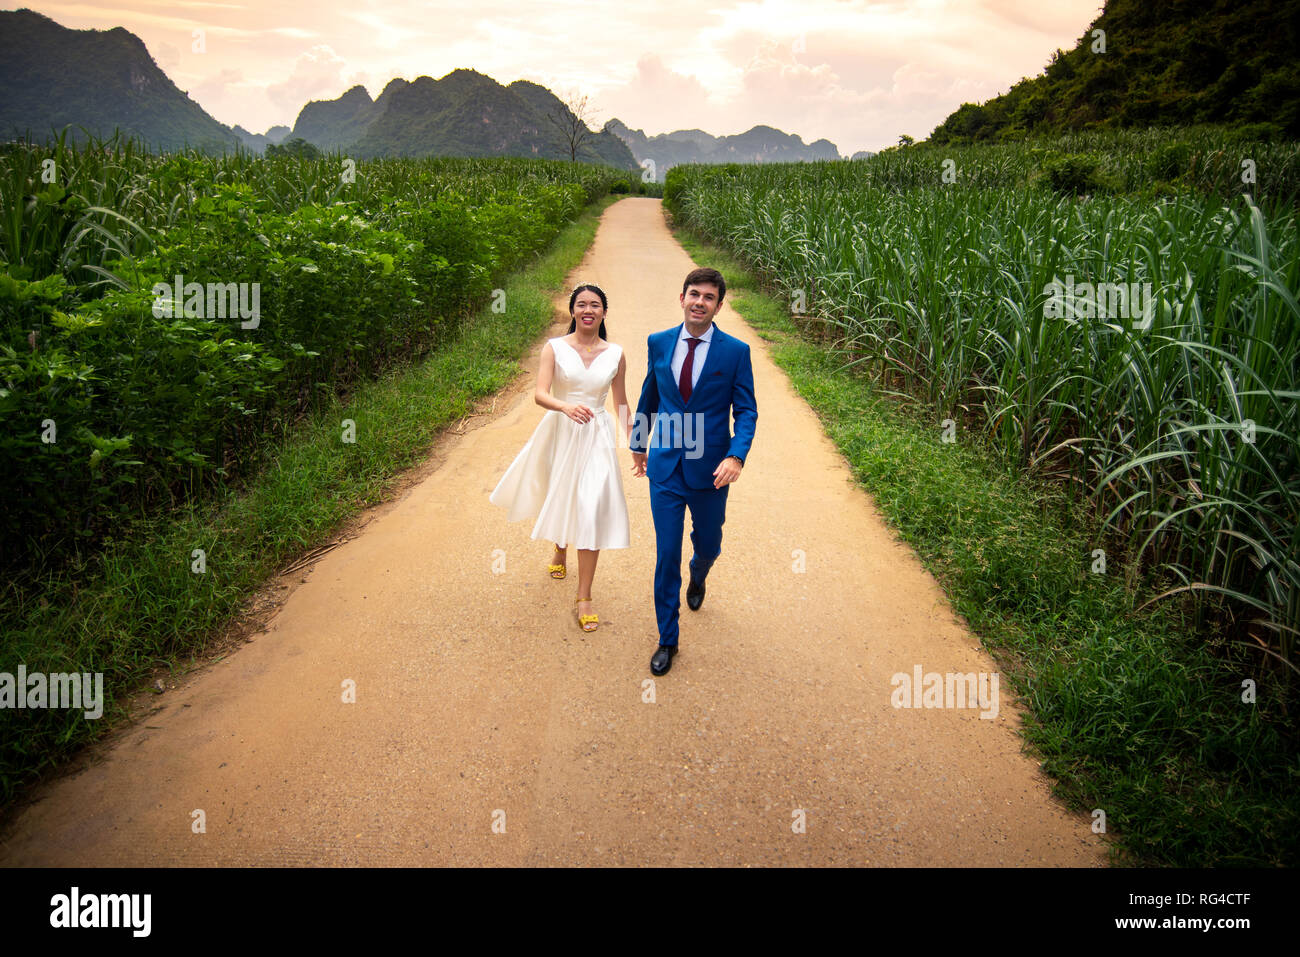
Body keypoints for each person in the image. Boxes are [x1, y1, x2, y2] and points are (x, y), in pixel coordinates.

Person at [629, 267, 757, 675]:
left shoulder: (735, 352)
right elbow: (650, 394)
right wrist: (639, 443)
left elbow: (747, 410)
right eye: (693, 294)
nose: (699, 302)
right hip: (665, 467)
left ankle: (699, 575)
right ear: (681, 297)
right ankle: (668, 638)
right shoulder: (659, 342)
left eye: (708, 297)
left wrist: (736, 456)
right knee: (667, 554)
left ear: (719, 306)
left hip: (711, 472)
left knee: (709, 544)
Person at [489, 283, 632, 632]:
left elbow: (622, 403)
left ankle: (584, 596)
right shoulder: (554, 348)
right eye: (581, 304)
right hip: (562, 428)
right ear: (572, 311)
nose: (588, 309)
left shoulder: (615, 353)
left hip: (597, 433)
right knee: (562, 491)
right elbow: (540, 394)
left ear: (603, 312)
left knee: (592, 504)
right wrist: (564, 405)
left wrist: (638, 445)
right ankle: (559, 547)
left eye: (595, 304)